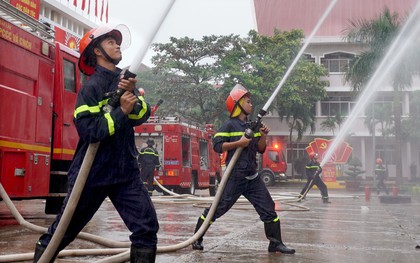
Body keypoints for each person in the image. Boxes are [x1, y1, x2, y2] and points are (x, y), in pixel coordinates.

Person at [33, 24, 159, 262]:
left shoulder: (125, 81)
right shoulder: (90, 88)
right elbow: (91, 131)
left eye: (117, 41)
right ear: (97, 51)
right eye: (110, 41)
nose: (117, 44)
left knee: (146, 227)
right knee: (62, 233)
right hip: (92, 174)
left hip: (124, 172)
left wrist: (131, 98)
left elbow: (141, 115)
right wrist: (121, 111)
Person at [191, 84, 295, 254]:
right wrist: (238, 143)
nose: (251, 104)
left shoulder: (252, 126)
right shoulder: (229, 126)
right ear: (237, 104)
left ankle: (275, 243)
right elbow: (217, 146)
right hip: (235, 177)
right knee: (218, 209)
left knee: (269, 208)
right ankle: (197, 238)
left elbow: (260, 149)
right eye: (248, 101)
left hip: (252, 177)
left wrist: (263, 135)